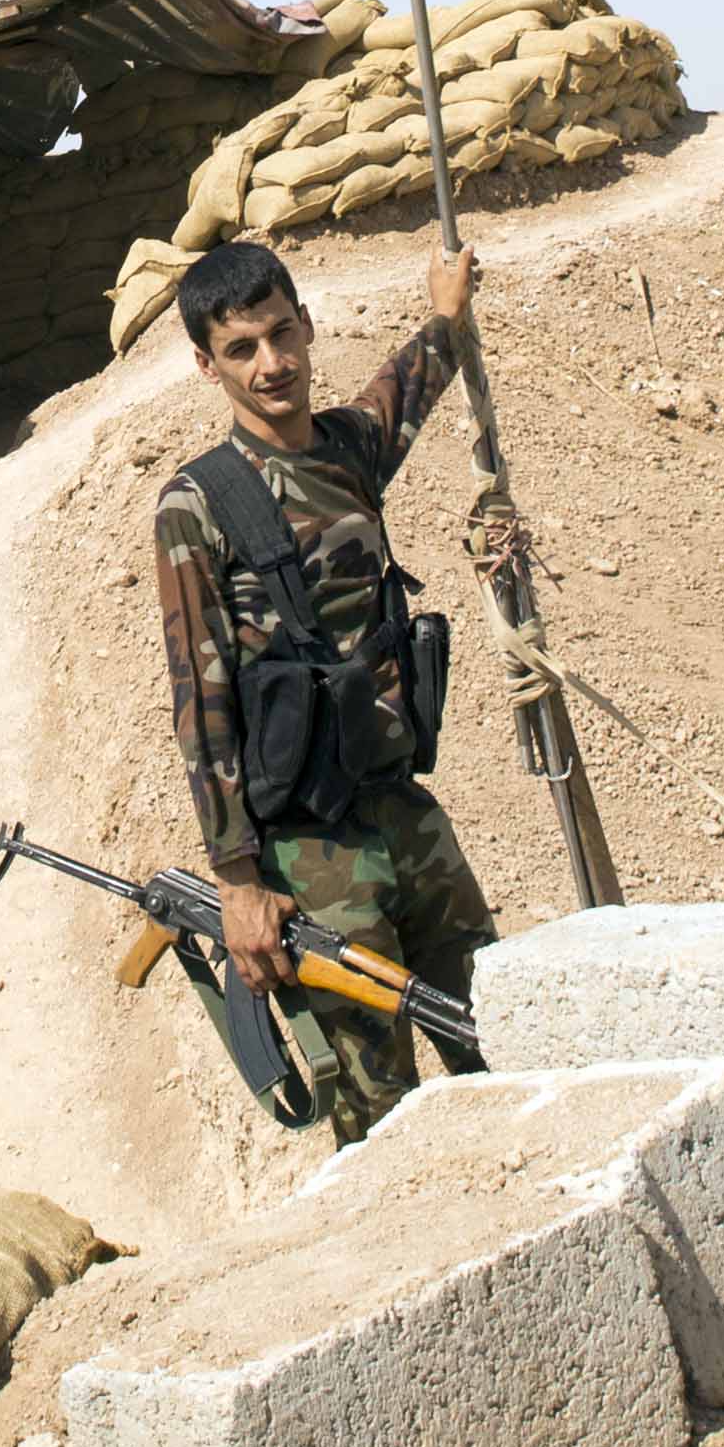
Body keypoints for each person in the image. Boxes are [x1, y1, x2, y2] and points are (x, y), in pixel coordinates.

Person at [151, 235, 494, 1140]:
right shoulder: (201, 504)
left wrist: (447, 313)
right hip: (311, 857)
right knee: (383, 1108)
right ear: (206, 364)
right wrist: (237, 883)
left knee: (497, 1043)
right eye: (241, 349)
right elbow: (201, 697)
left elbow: (406, 387)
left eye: (280, 335)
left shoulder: (346, 447)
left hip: (406, 814)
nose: (272, 365)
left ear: (305, 325)